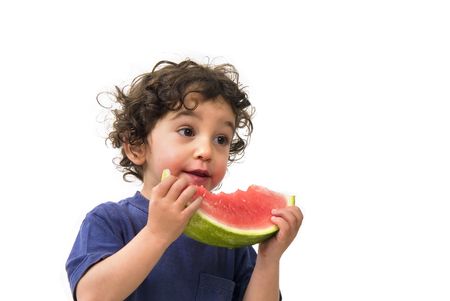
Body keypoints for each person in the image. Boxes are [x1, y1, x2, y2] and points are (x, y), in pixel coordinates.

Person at [66, 59, 303, 301]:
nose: (206, 150)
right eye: (187, 131)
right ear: (137, 147)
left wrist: (268, 260)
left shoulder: (231, 244)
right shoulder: (110, 221)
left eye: (221, 139)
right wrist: (157, 234)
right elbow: (92, 296)